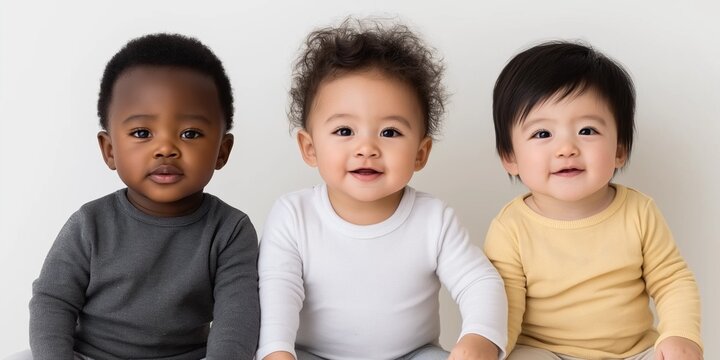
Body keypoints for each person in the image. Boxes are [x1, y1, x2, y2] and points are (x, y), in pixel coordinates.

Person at [257, 19, 508, 360]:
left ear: (420, 153)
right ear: (309, 147)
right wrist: (277, 351)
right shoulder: (293, 215)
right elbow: (277, 290)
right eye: (345, 131)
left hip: (413, 353)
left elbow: (479, 282)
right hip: (311, 354)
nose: (367, 148)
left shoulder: (433, 219)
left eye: (390, 132)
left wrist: (480, 338)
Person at [27, 33, 260, 359]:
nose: (166, 148)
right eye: (142, 133)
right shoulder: (89, 223)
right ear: (110, 150)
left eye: (190, 133)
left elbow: (238, 319)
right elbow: (52, 300)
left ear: (222, 151)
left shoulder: (230, 231)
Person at [484, 41, 702, 360]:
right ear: (509, 157)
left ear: (619, 150)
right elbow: (505, 308)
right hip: (545, 351)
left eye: (587, 130)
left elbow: (672, 281)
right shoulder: (511, 228)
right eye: (543, 134)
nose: (566, 148)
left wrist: (682, 335)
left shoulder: (639, 212)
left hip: (634, 351)